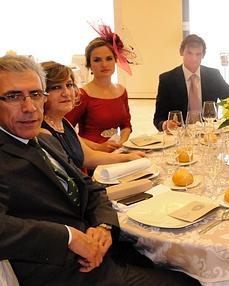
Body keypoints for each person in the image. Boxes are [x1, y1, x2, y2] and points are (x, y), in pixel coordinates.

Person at [0, 55, 200, 285]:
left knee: (183, 262)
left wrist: (104, 227)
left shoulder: (45, 139)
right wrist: (68, 236)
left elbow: (91, 187)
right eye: (14, 96)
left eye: (35, 94)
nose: (29, 107)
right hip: (68, 271)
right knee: (189, 282)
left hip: (102, 249)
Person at [41, 61, 144, 170]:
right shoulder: (43, 132)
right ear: (41, 94)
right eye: (56, 88)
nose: (66, 93)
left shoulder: (62, 122)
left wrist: (127, 157)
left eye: (69, 85)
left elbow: (89, 156)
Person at [66, 25, 134, 153]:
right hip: (91, 155)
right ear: (89, 64)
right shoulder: (82, 94)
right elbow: (66, 130)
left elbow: (126, 126)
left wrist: (121, 142)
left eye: (109, 58)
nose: (104, 64)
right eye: (97, 60)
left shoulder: (121, 91)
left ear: (115, 61)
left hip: (116, 152)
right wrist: (98, 147)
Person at [153, 34, 229, 131]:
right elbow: (158, 118)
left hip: (209, 133)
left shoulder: (213, 75)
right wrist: (166, 124)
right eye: (189, 53)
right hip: (181, 134)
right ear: (181, 52)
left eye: (198, 54)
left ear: (203, 55)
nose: (194, 59)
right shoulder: (167, 80)